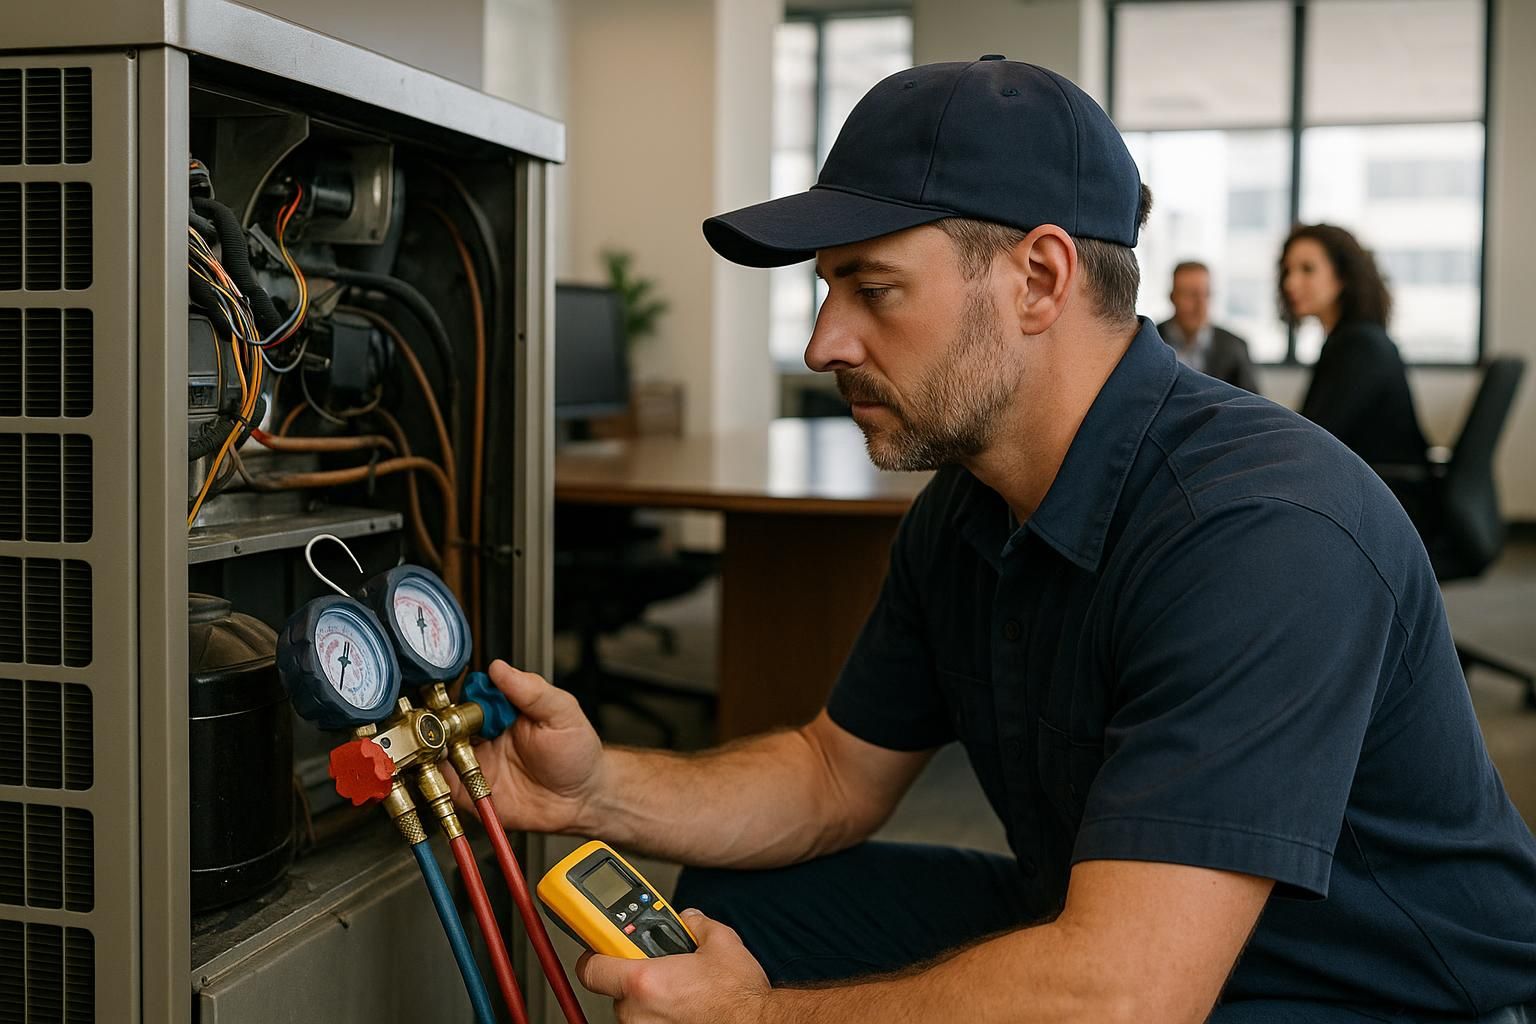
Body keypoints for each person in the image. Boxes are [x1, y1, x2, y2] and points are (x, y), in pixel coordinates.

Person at [458, 57, 1536, 1024]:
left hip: (1364, 987)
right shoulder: (971, 507)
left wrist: (764, 1021)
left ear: (1039, 279)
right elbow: (834, 773)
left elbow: (1124, 996)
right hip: (1115, 914)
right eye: (827, 290)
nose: (824, 340)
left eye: (872, 289)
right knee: (746, 910)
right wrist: (594, 792)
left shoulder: (1261, 532)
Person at [1283, 224, 1429, 471]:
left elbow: (1317, 436)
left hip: (1387, 494)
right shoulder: (1352, 339)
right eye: (1288, 271)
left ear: (1342, 277)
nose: (1290, 283)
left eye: (1307, 269)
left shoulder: (1359, 346)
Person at [1156, 260, 1260, 392]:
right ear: (1172, 297)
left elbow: (1253, 404)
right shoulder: (1149, 341)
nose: (1201, 305)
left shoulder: (1235, 347)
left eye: (1206, 294)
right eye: (1191, 295)